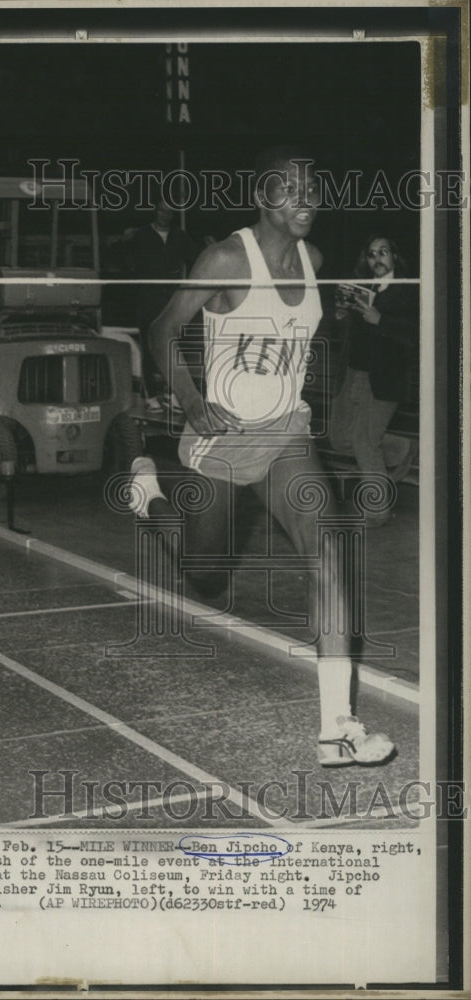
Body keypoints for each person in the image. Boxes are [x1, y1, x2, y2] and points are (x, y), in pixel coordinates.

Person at [129, 148, 394, 767]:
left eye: (313, 190)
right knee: (205, 572)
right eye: (292, 190)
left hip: (285, 433)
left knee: (327, 550)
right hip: (221, 435)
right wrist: (193, 404)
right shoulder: (224, 257)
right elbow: (162, 329)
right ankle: (151, 496)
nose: (307, 201)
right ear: (264, 196)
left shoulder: (315, 259)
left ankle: (338, 727)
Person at [329, 235, 418, 525]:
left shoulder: (410, 290)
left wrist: (383, 322)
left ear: (394, 256)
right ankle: (402, 448)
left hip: (384, 378)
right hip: (353, 372)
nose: (377, 259)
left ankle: (377, 511)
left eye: (383, 252)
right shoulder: (361, 287)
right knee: (340, 438)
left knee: (363, 441)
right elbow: (349, 333)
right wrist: (341, 315)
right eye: (371, 254)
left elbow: (419, 335)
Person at [126, 200, 199, 413]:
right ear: (155, 212)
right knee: (150, 347)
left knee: (174, 347)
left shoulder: (180, 236)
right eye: (162, 211)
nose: (165, 215)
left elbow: (195, 258)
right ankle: (150, 395)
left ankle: (172, 394)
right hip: (148, 300)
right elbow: (125, 260)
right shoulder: (141, 235)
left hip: (172, 302)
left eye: (170, 213)